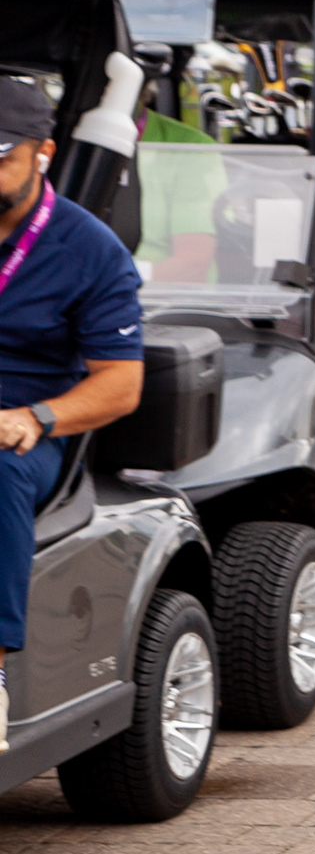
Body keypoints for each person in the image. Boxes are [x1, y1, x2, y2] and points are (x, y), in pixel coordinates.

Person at [0, 79, 145, 752]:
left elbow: (121, 385)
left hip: (24, 427)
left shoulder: (90, 248)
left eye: (2, 157)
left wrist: (38, 416)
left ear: (43, 153)